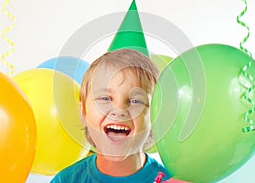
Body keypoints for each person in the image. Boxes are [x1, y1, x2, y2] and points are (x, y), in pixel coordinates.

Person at [50, 49, 171, 183]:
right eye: (105, 98)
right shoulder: (66, 180)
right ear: (83, 111)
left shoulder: (169, 181)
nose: (119, 110)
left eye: (135, 101)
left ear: (155, 116)